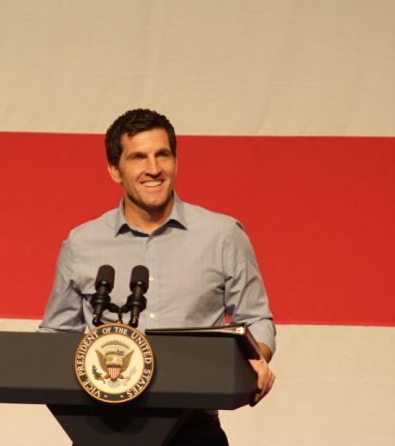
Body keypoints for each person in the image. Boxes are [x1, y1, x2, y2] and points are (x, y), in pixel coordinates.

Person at [39, 108, 275, 445]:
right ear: (114, 170)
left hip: (194, 426)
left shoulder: (222, 235)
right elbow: (55, 337)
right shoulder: (81, 243)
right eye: (138, 157)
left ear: (175, 161)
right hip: (104, 426)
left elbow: (257, 319)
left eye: (162, 155)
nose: (153, 169)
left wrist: (254, 360)